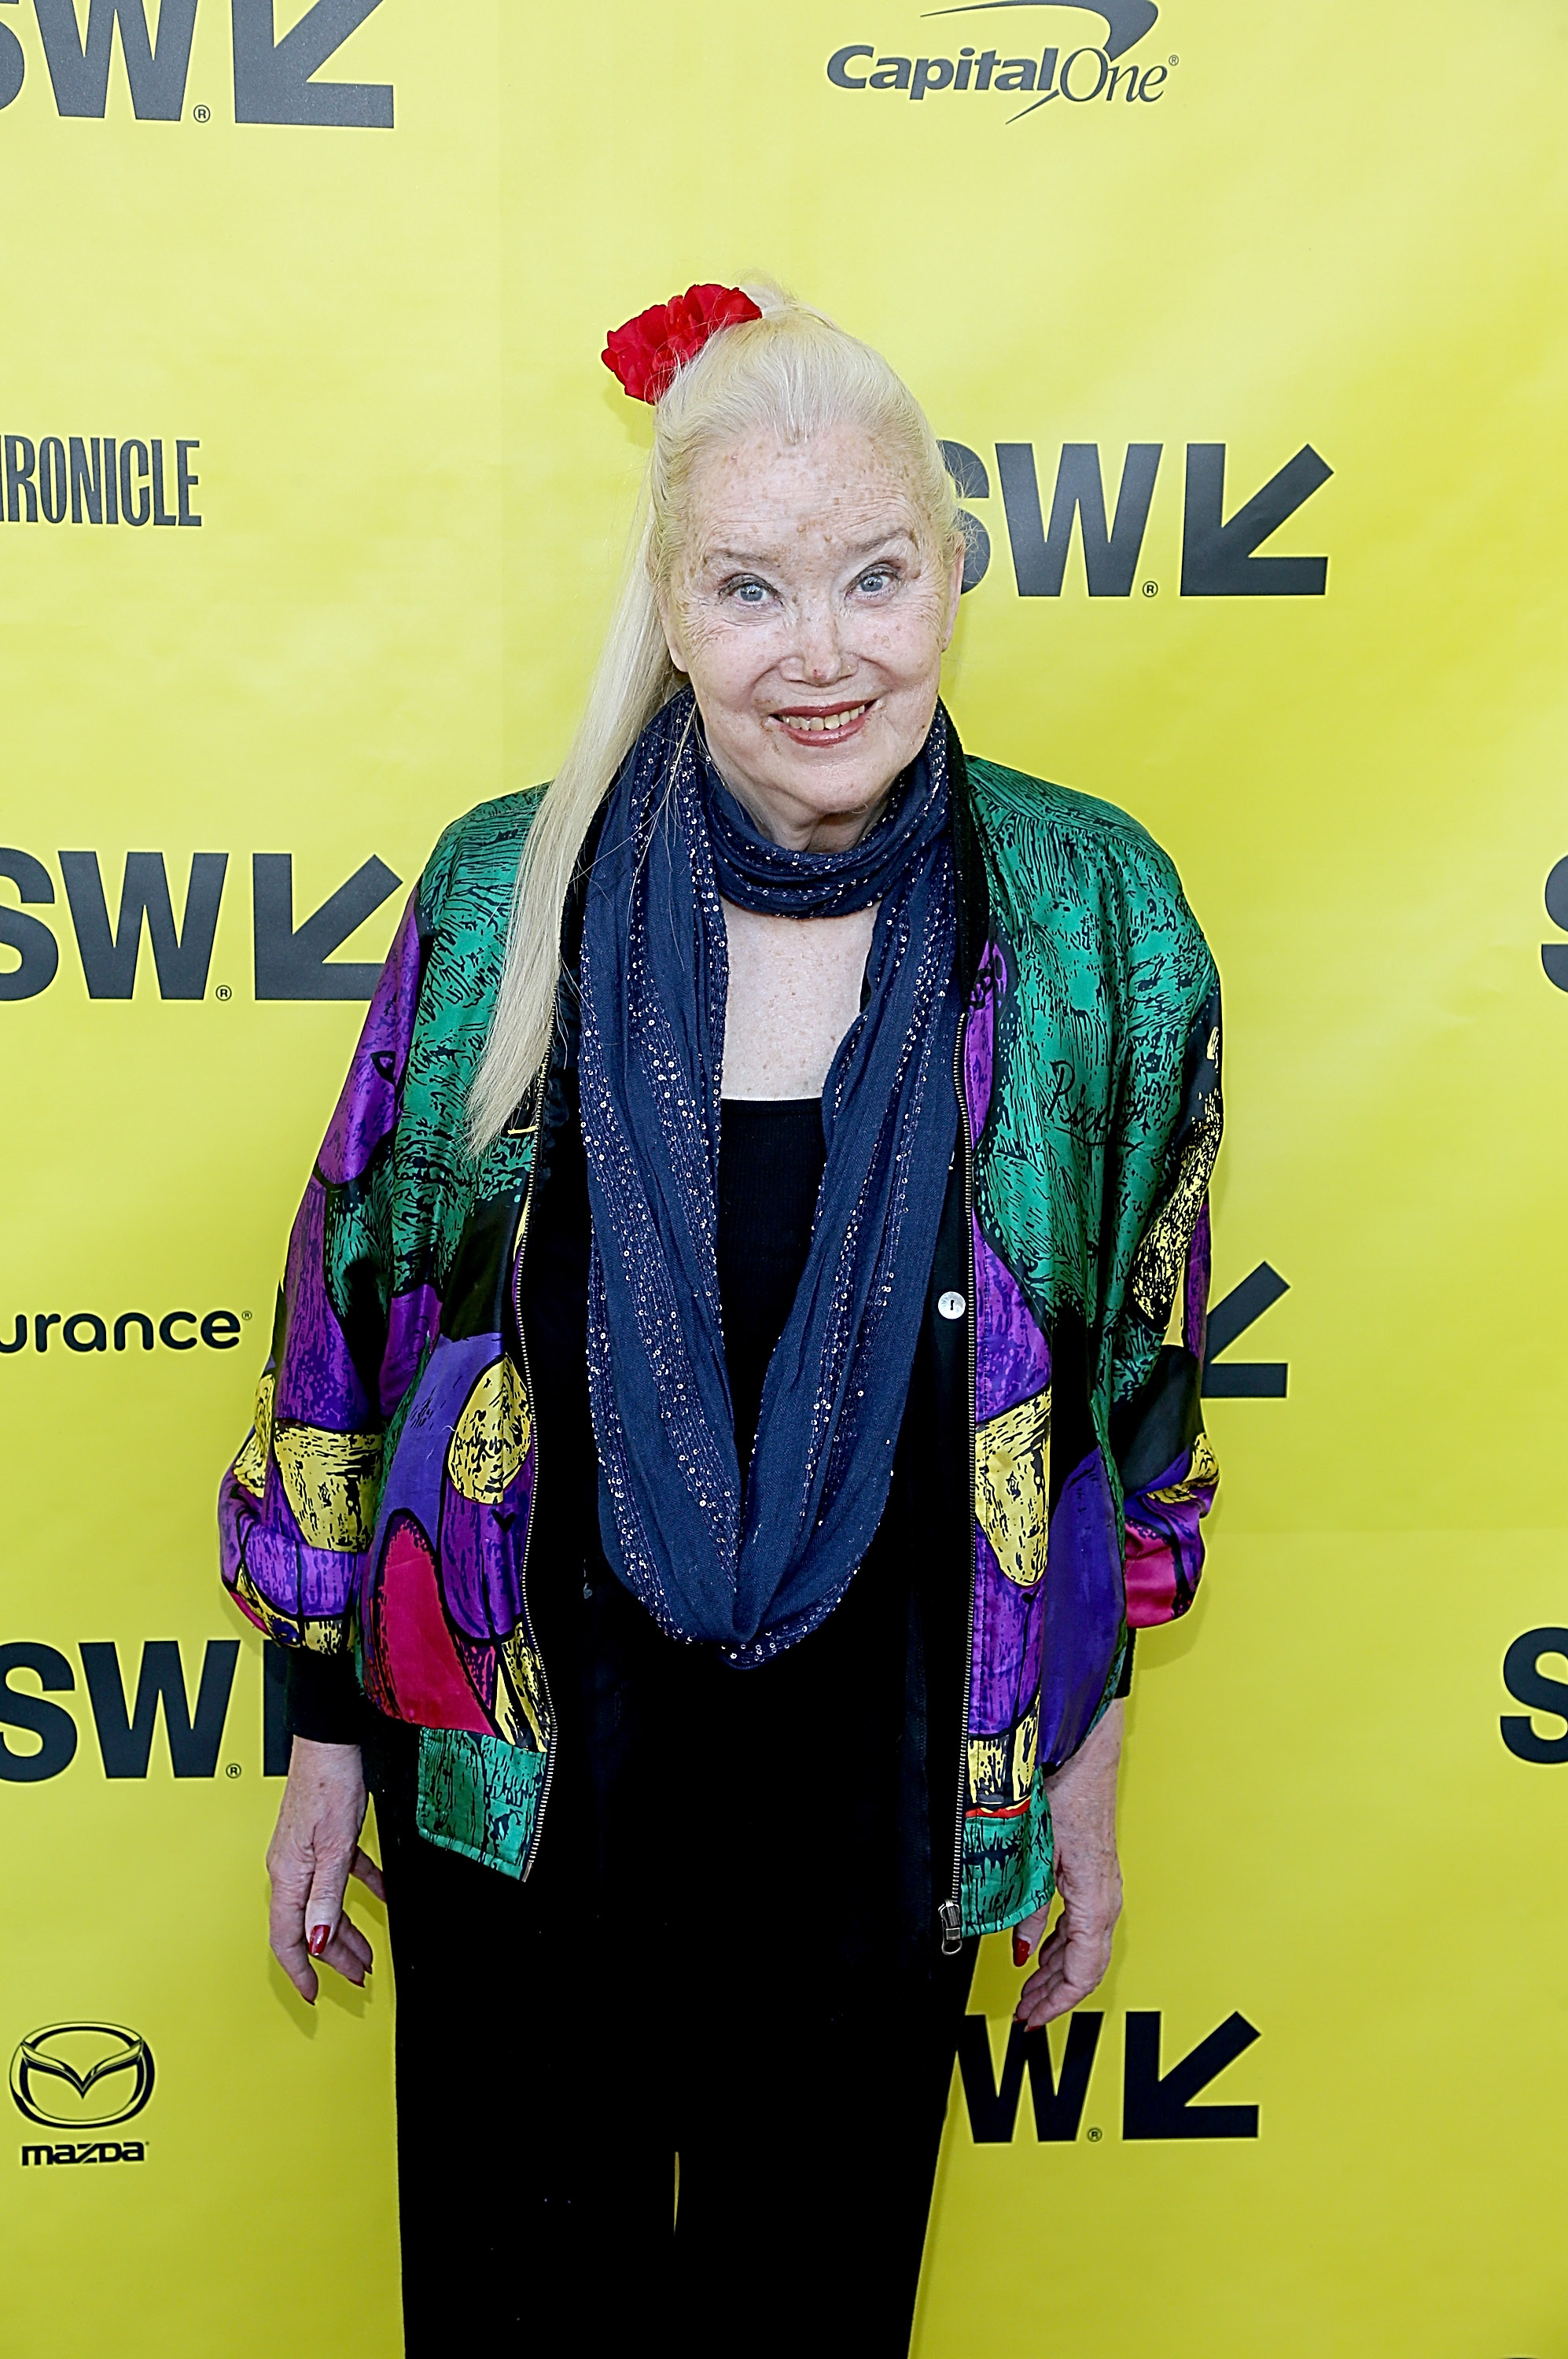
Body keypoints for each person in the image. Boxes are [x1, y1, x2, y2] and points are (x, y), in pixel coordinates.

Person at [219, 281, 1222, 2358]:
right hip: (528, 1797)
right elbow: (356, 1324)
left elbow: (1124, 1394)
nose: (824, 650)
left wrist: (1083, 1766)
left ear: (953, 574)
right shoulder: (507, 895)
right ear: (669, 608)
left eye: (877, 574)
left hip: (887, 1801)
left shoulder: (1091, 916)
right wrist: (322, 1731)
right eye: (751, 587)